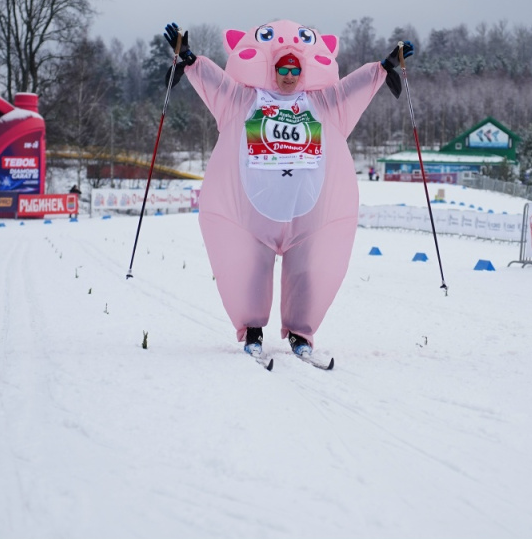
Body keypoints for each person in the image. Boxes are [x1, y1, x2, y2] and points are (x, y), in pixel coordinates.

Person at [162, 19, 412, 359]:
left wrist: (383, 68)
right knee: (246, 270)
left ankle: (300, 334)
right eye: (282, 68)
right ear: (272, 69)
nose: (289, 75)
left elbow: (353, 89)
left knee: (309, 272)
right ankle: (252, 330)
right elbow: (215, 83)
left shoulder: (323, 103)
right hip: (251, 218)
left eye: (295, 68)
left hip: (307, 218)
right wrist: (189, 58)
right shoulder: (243, 99)